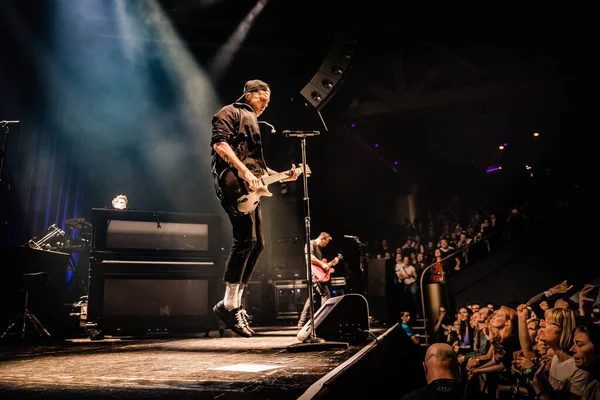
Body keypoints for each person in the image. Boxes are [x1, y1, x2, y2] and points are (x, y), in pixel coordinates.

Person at [211, 79, 299, 338]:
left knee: (257, 242)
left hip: (250, 183)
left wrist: (282, 175)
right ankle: (228, 304)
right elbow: (221, 145)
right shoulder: (229, 112)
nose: (266, 104)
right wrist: (245, 172)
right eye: (263, 98)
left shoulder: (254, 123)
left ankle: (232, 304)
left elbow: (258, 168)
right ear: (249, 95)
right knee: (245, 238)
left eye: (269, 101)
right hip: (233, 181)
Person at [297, 232, 339, 328]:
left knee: (311, 298)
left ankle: (301, 322)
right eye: (326, 242)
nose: (326, 245)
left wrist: (331, 264)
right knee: (326, 294)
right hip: (314, 275)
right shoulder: (311, 243)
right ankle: (324, 319)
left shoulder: (318, 249)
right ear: (322, 238)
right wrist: (322, 264)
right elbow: (309, 257)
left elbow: (320, 266)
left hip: (316, 274)